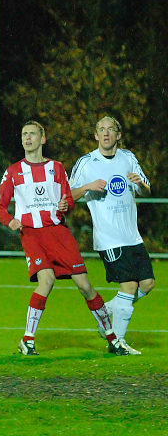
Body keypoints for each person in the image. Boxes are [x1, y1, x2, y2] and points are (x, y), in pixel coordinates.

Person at [0, 120, 128, 356]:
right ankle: (27, 340)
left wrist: (65, 205)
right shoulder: (13, 171)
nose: (27, 138)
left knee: (85, 286)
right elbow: (0, 208)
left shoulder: (56, 168)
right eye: (24, 134)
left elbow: (68, 201)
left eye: (32, 134)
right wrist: (10, 221)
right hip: (33, 235)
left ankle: (112, 338)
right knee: (46, 281)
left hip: (59, 234)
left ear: (42, 139)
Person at [69, 116, 153, 355]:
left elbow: (147, 189)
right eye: (101, 130)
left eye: (111, 130)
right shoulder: (87, 163)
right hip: (109, 238)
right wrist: (87, 187)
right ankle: (117, 341)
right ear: (96, 136)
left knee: (147, 284)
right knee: (128, 286)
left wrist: (142, 185)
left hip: (132, 236)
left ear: (118, 135)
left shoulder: (128, 158)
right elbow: (66, 194)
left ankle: (105, 312)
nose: (106, 134)